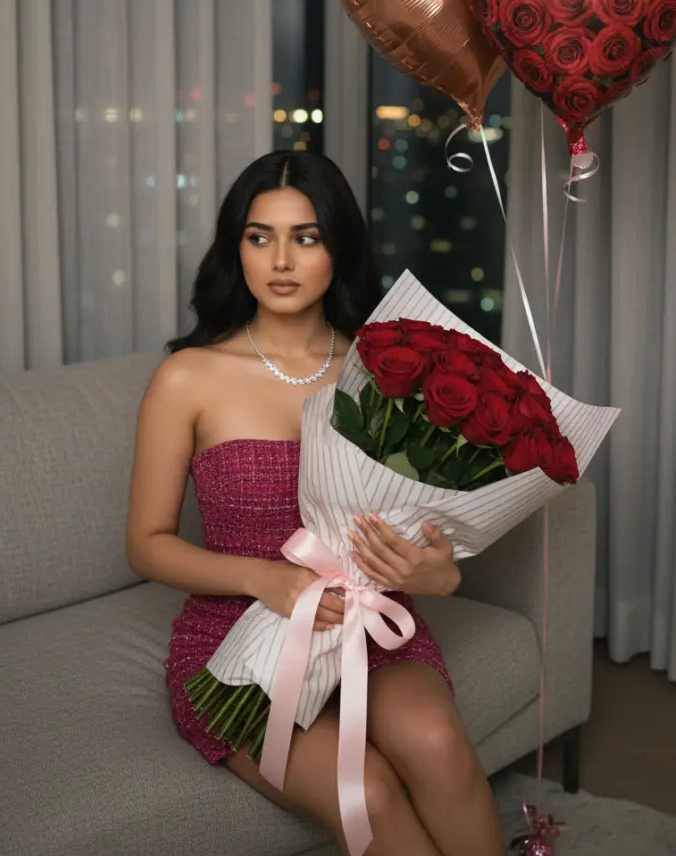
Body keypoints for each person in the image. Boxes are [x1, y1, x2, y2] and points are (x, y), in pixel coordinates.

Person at [126, 150, 506, 856]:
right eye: (259, 236)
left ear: (340, 248)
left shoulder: (385, 370)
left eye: (306, 237)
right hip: (235, 640)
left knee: (436, 742)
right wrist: (264, 578)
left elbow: (428, 528)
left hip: (369, 624)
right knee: (368, 792)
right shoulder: (187, 377)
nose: (281, 260)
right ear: (235, 247)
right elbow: (146, 544)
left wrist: (438, 573)